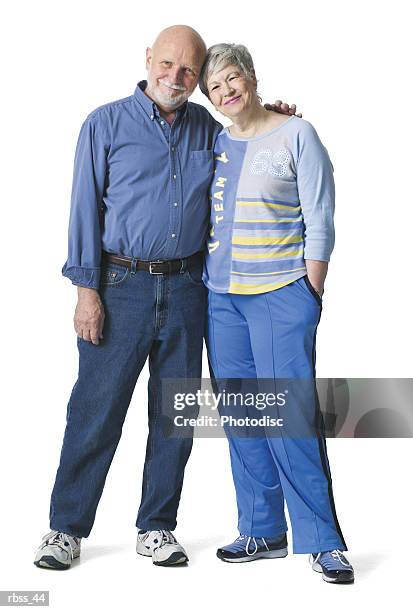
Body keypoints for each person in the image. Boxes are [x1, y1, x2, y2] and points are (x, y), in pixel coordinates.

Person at [33, 25, 298, 570]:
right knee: (96, 411)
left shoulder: (209, 129)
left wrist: (273, 118)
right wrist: (87, 293)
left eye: (188, 72)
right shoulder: (104, 124)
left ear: (198, 79)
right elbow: (83, 212)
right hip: (119, 286)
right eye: (167, 64)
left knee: (175, 414)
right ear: (148, 58)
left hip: (187, 288)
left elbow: (252, 143)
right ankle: (65, 529)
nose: (174, 78)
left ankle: (156, 526)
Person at [199, 43, 354, 584]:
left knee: (289, 417)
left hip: (282, 295)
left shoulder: (296, 134)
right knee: (242, 418)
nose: (227, 92)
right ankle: (261, 530)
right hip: (222, 300)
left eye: (232, 78)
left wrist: (309, 292)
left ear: (252, 76)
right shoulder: (214, 142)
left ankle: (323, 540)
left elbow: (321, 215)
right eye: (215, 87)